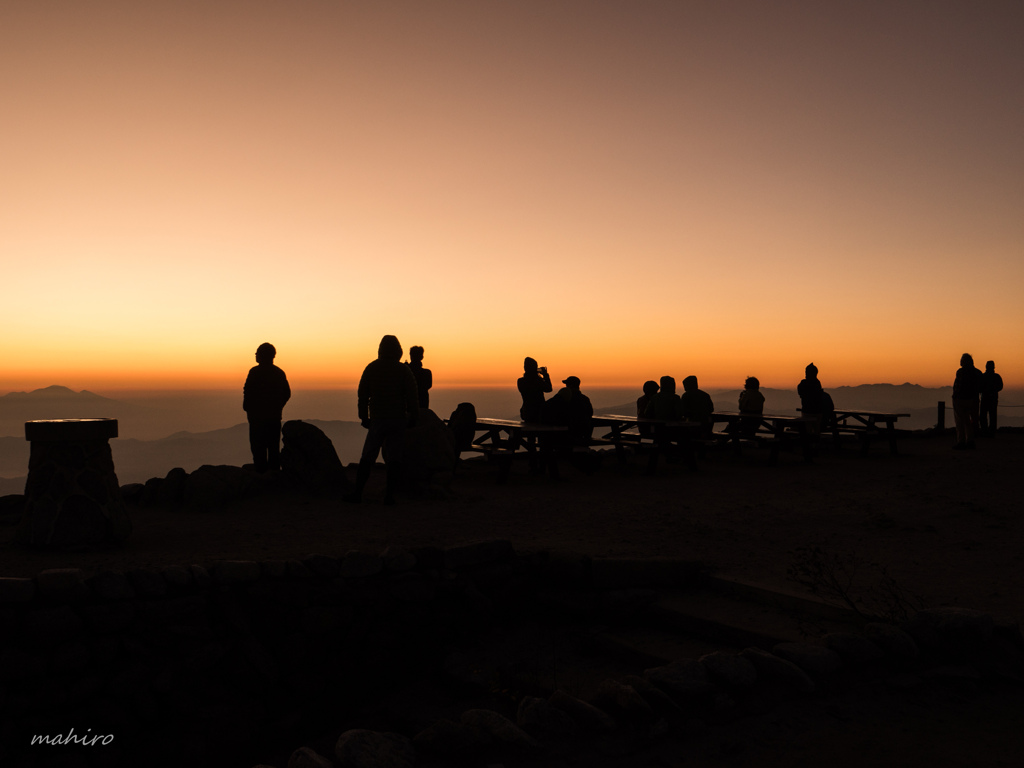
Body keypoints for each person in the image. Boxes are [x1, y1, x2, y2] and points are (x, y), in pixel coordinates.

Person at [345, 335, 420, 503]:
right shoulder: (403, 370)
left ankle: (358, 493)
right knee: (394, 457)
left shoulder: (372, 368)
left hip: (377, 419)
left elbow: (362, 395)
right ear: (398, 351)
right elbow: (412, 397)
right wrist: (414, 416)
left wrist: (363, 416)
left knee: (368, 456)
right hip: (397, 419)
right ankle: (389, 496)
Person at [242, 342, 291, 473]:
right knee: (273, 446)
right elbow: (287, 393)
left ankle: (261, 474)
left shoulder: (255, 372)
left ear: (263, 355)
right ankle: (274, 474)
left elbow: (248, 391)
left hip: (257, 417)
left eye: (257, 353)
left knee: (258, 446)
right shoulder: (279, 373)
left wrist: (248, 408)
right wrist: (278, 406)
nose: (255, 355)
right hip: (273, 417)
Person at [544, 375, 594, 446]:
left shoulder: (564, 399)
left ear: (570, 386)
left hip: (568, 433)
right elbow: (590, 413)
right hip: (582, 432)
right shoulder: (585, 399)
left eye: (566, 384)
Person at [952, 353, 984, 449]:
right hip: (973, 399)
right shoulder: (978, 373)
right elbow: (981, 387)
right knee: (970, 421)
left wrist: (955, 396)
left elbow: (958, 386)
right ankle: (970, 441)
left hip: (960, 399)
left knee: (960, 421)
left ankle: (961, 441)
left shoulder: (961, 372)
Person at [518, 357, 552, 422]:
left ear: (525, 368)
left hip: (527, 412)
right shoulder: (538, 381)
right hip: (539, 412)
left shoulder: (520, 381)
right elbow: (549, 389)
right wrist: (545, 375)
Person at [980, 360, 1004, 436]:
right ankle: (992, 432)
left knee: (983, 415)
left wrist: (985, 390)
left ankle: (984, 431)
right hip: (993, 398)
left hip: (985, 398)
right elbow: (1000, 387)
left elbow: (979, 387)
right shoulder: (996, 376)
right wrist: (993, 390)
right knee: (992, 415)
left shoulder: (983, 376)